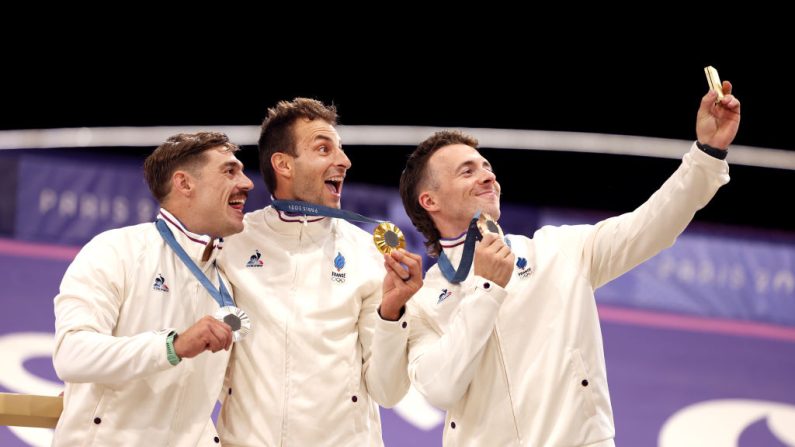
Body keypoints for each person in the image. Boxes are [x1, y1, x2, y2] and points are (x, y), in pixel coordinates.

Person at [398, 83, 741, 446]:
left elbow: (653, 224)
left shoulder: (559, 250)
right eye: (467, 172)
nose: (488, 176)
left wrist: (706, 153)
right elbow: (441, 389)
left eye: (486, 167)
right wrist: (486, 290)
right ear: (429, 200)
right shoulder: (422, 299)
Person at [216, 98, 423, 446]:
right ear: (283, 164)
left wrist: (393, 313)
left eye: (340, 150)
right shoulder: (231, 245)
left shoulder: (368, 253)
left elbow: (388, 391)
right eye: (324, 148)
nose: (344, 161)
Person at [52, 132, 254, 446]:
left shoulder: (227, 279)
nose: (247, 183)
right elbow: (72, 354)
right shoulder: (117, 250)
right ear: (185, 184)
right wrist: (172, 346)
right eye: (229, 171)